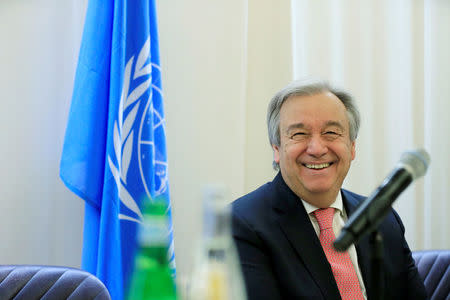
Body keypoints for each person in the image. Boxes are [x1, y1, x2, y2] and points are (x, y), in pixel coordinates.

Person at [231, 79, 427, 300]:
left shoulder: (383, 220)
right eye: (299, 134)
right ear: (277, 149)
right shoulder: (242, 223)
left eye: (331, 133)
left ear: (352, 147)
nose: (317, 149)